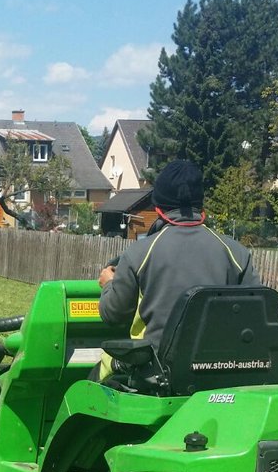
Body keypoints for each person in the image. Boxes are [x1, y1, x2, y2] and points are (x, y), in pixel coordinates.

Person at [95, 159, 261, 379]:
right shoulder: (236, 253)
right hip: (223, 374)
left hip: (155, 374)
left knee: (92, 381)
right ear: (200, 205)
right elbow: (255, 317)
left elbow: (113, 315)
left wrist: (109, 285)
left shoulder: (140, 253)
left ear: (158, 207)